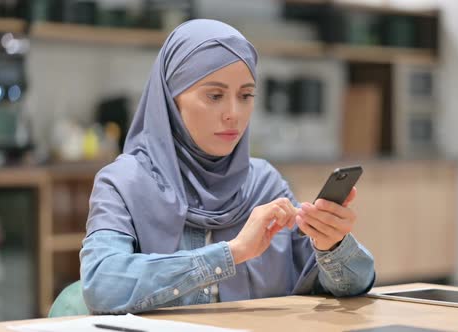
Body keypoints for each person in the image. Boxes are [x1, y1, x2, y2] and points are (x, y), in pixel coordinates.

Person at [80, 19, 375, 314]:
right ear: (171, 100)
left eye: (245, 96)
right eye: (215, 96)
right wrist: (232, 253)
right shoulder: (123, 183)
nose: (233, 114)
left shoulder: (264, 184)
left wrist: (332, 244)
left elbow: (350, 285)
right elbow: (102, 285)